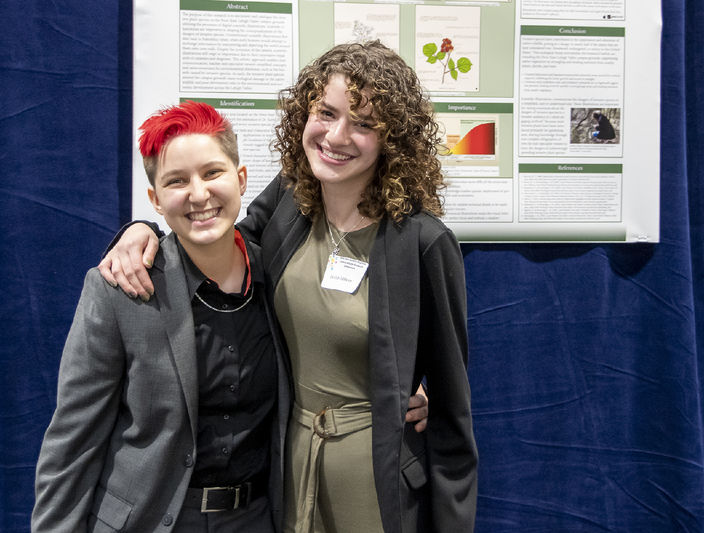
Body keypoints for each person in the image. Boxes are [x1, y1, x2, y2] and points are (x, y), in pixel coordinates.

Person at [100, 41, 477, 532]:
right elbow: (213, 239)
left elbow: (452, 419)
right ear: (305, 112)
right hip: (287, 466)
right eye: (327, 112)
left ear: (392, 140)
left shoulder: (423, 243)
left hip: (374, 480)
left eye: (364, 124)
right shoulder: (289, 200)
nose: (337, 135)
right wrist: (141, 231)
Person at [32, 101, 292, 532]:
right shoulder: (119, 289)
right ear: (154, 199)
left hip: (256, 517)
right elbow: (73, 443)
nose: (199, 194)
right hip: (150, 520)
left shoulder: (281, 279)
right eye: (177, 181)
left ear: (241, 179)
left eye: (212, 173)